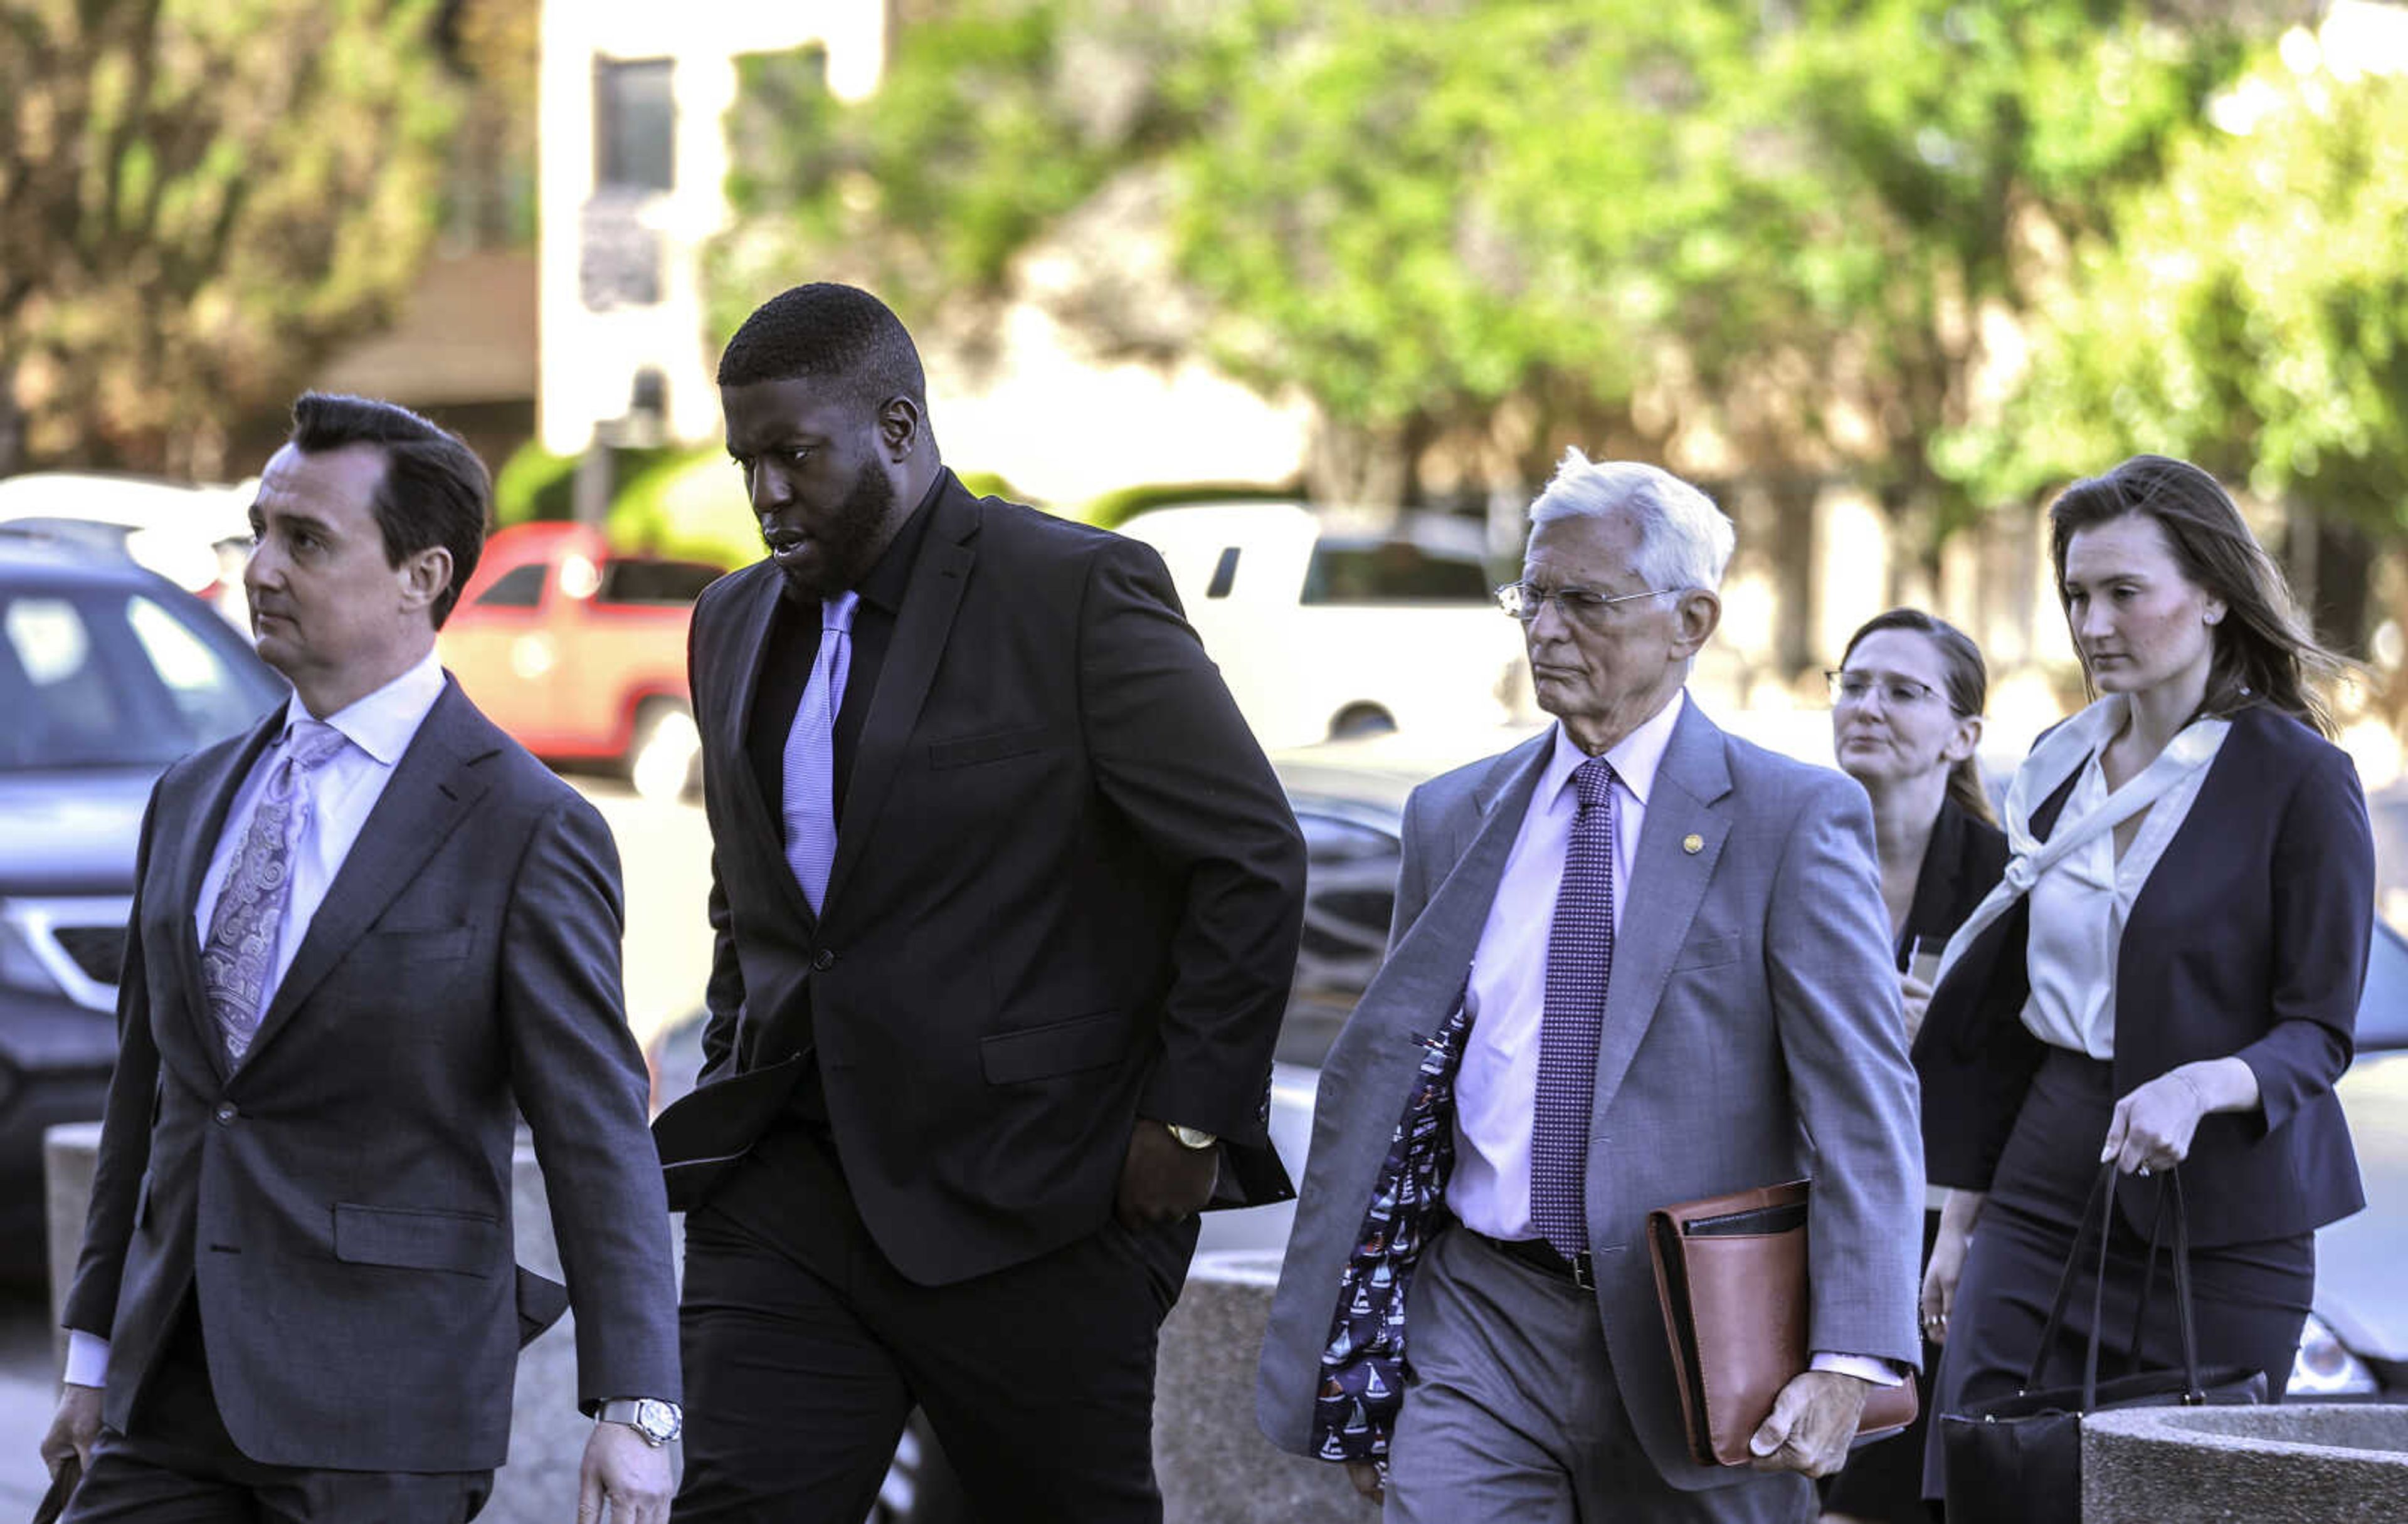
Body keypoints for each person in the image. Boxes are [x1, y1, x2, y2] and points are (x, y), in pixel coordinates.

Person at [654, 283, 1307, 1523]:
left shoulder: (1073, 592)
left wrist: (1188, 1120)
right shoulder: (729, 622)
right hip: (790, 1195)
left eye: (794, 454)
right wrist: (736, 1065)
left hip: (1040, 1203)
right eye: (747, 461)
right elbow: (754, 897)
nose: (766, 494)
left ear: (897, 428)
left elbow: (1250, 855)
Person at [36, 394, 683, 1522]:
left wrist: (637, 1409)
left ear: (422, 576)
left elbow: (598, 1138)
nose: (263, 570)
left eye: (308, 541)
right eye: (261, 531)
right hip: (172, 1393)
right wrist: (91, 1357)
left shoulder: (525, 827)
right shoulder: (190, 800)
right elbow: (147, 1102)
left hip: (385, 1416)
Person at [1256, 451, 1924, 1523]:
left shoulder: (1792, 818)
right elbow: (1408, 1099)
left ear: (1691, 621)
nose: (1545, 628)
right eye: (1533, 595)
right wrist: (1368, 1360)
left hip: (1700, 1337)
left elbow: (1862, 1102)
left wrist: (1851, 1354)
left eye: (1585, 601)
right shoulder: (1451, 816)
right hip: (1481, 1316)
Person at [1914, 455, 2372, 1503]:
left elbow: (2319, 1031)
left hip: (2223, 1217)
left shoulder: (2299, 777)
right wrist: (1960, 1216)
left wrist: (2199, 1084)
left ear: (2213, 593)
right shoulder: (2056, 765)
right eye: (2078, 594)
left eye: (2127, 592)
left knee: (2183, 1500)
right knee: (1987, 1485)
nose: (2094, 622)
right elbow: (2011, 1021)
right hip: (2042, 1181)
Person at [1819, 609, 2008, 1524]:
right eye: (1853, 684)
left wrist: (1965, 1228)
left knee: (1881, 1498)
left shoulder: (2005, 881)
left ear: (1963, 735)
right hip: (1793, 1223)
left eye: (1902, 691)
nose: (1869, 706)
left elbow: (2024, 1074)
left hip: (1937, 1245)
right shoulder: (1795, 848)